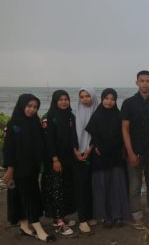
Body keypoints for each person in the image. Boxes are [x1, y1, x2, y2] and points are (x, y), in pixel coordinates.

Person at [2, 94, 55, 242]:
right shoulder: (13, 124)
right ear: (22, 105)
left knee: (21, 197)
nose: (32, 110)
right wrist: (10, 169)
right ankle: (39, 229)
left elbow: (41, 144)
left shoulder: (35, 123)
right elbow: (8, 149)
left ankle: (24, 226)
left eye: (35, 107)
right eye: (29, 106)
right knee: (29, 197)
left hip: (33, 167)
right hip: (19, 168)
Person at [121, 70, 149, 230]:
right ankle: (136, 215)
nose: (145, 83)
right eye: (142, 80)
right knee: (134, 186)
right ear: (136, 82)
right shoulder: (129, 103)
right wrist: (130, 152)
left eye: (148, 81)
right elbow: (125, 129)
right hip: (134, 152)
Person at [86, 89, 130, 228]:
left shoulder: (119, 115)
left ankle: (117, 215)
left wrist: (118, 147)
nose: (109, 101)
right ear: (102, 99)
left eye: (112, 99)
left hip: (116, 155)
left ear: (115, 100)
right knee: (101, 186)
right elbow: (93, 134)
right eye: (106, 98)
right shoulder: (96, 115)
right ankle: (104, 216)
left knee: (116, 186)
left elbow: (123, 134)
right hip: (100, 156)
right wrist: (98, 146)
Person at [41, 90, 77, 237]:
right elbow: (48, 141)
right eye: (60, 99)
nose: (63, 102)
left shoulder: (70, 116)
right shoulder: (48, 117)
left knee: (64, 188)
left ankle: (60, 218)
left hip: (68, 159)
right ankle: (59, 223)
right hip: (54, 160)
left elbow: (73, 136)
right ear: (55, 101)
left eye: (66, 99)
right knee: (56, 190)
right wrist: (54, 159)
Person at [73, 88, 99, 234]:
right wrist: (75, 150)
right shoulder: (74, 114)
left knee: (91, 186)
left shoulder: (99, 112)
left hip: (93, 153)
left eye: (88, 96)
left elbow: (99, 132)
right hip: (78, 154)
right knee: (81, 186)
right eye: (82, 96)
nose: (85, 99)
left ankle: (90, 215)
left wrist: (90, 148)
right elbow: (70, 134)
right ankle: (82, 220)